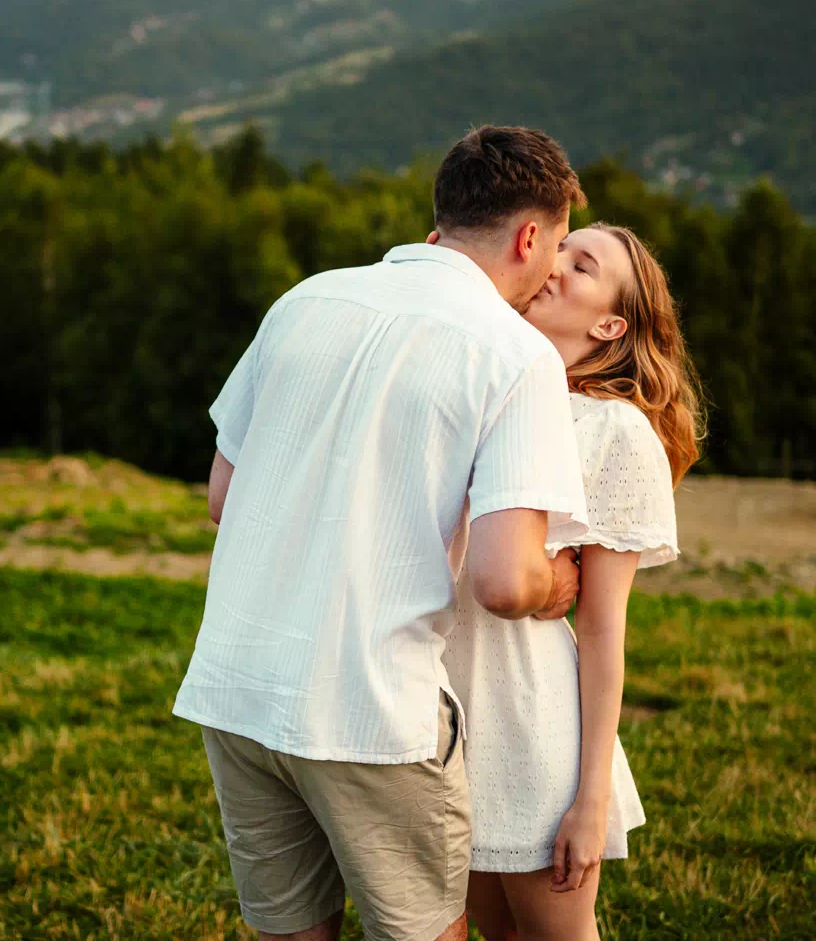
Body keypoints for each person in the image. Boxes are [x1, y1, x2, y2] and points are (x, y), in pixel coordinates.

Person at [173, 125, 592, 941]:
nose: (552, 269)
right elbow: (506, 582)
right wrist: (558, 582)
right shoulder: (514, 354)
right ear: (529, 238)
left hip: (237, 686)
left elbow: (224, 496)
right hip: (370, 710)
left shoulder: (306, 300)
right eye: (558, 244)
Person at [442, 223, 704, 941]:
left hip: (533, 728)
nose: (554, 264)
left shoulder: (615, 432)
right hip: (445, 715)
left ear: (610, 325)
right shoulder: (484, 387)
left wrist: (591, 799)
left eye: (582, 265)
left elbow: (602, 629)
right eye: (560, 247)